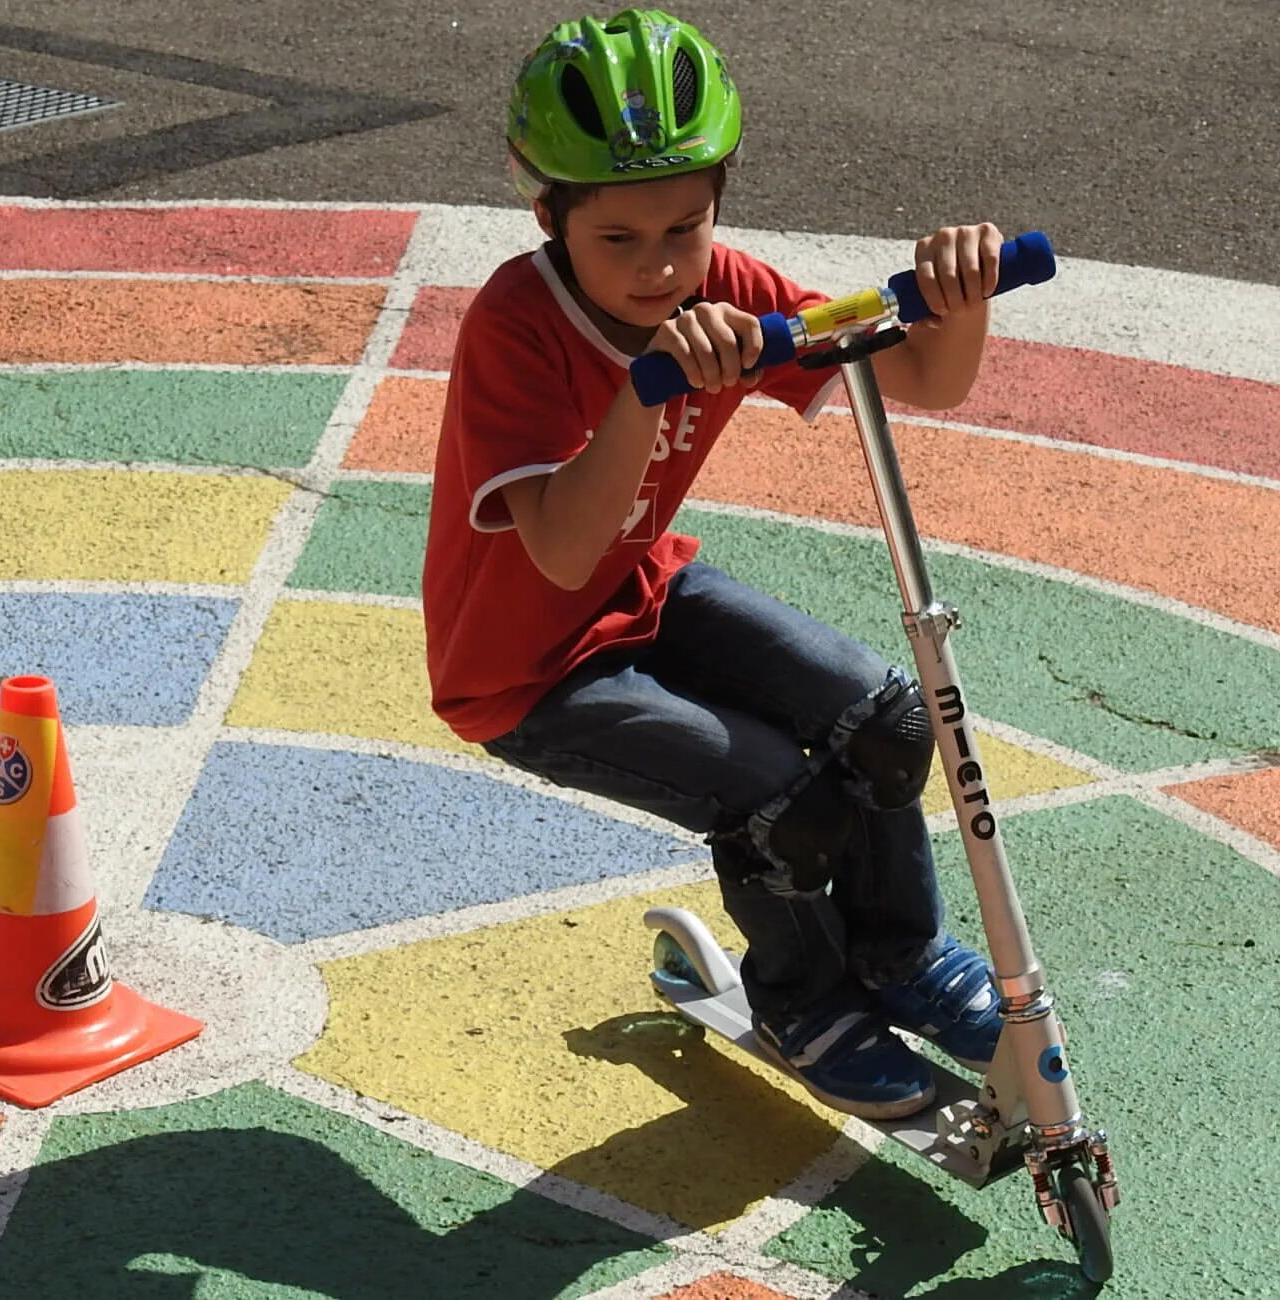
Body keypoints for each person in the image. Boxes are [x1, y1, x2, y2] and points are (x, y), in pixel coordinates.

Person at [420, 7, 1008, 1120]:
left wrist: (956, 300)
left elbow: (917, 376)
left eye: (684, 231)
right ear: (545, 214)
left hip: (642, 595)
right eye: (620, 240)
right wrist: (652, 388)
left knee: (883, 720)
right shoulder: (516, 325)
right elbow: (557, 546)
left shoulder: (722, 283)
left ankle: (899, 956)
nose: (659, 268)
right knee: (782, 800)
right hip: (526, 671)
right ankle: (806, 1002)